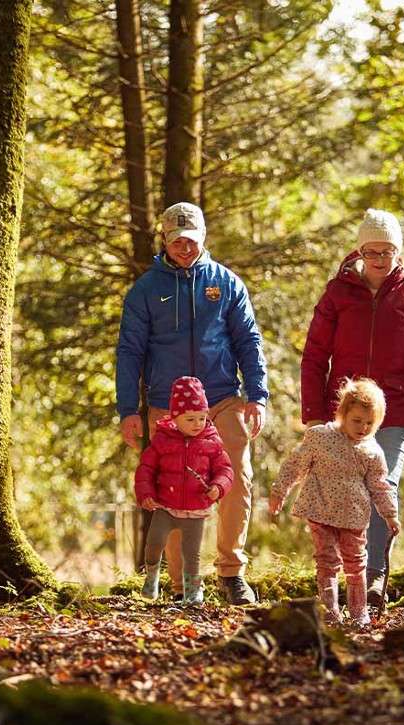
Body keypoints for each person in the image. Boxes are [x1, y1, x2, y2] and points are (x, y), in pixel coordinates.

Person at [300, 208, 404, 608]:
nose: (380, 259)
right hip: (344, 413)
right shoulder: (337, 293)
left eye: (388, 251)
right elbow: (315, 356)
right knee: (344, 489)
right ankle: (341, 575)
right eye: (373, 251)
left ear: (398, 252)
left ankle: (374, 577)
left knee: (380, 484)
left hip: (395, 413)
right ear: (359, 250)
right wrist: (314, 414)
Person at [116, 201, 269, 605]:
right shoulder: (146, 290)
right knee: (173, 488)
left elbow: (248, 341)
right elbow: (130, 351)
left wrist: (257, 395)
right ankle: (185, 583)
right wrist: (128, 410)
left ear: (203, 238)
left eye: (192, 241)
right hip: (168, 405)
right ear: (165, 240)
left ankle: (232, 572)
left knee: (237, 475)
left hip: (221, 398)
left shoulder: (226, 283)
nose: (185, 249)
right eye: (178, 241)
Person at [268, 378, 398, 625]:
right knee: (326, 560)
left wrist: (390, 514)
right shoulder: (320, 437)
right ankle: (330, 612)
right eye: (357, 420)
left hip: (353, 515)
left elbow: (380, 486)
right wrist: (279, 491)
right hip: (320, 509)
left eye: (370, 423)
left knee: (356, 562)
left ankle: (359, 612)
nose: (362, 427)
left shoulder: (372, 452)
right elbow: (295, 465)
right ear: (343, 414)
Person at [135, 377, 234, 604]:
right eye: (190, 419)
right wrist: (146, 495)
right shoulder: (162, 439)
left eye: (202, 417)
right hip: (165, 506)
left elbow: (226, 470)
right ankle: (152, 579)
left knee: (191, 554)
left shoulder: (211, 441)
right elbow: (145, 469)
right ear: (175, 417)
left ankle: (192, 592)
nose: (198, 423)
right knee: (154, 543)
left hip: (195, 509)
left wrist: (218, 487)